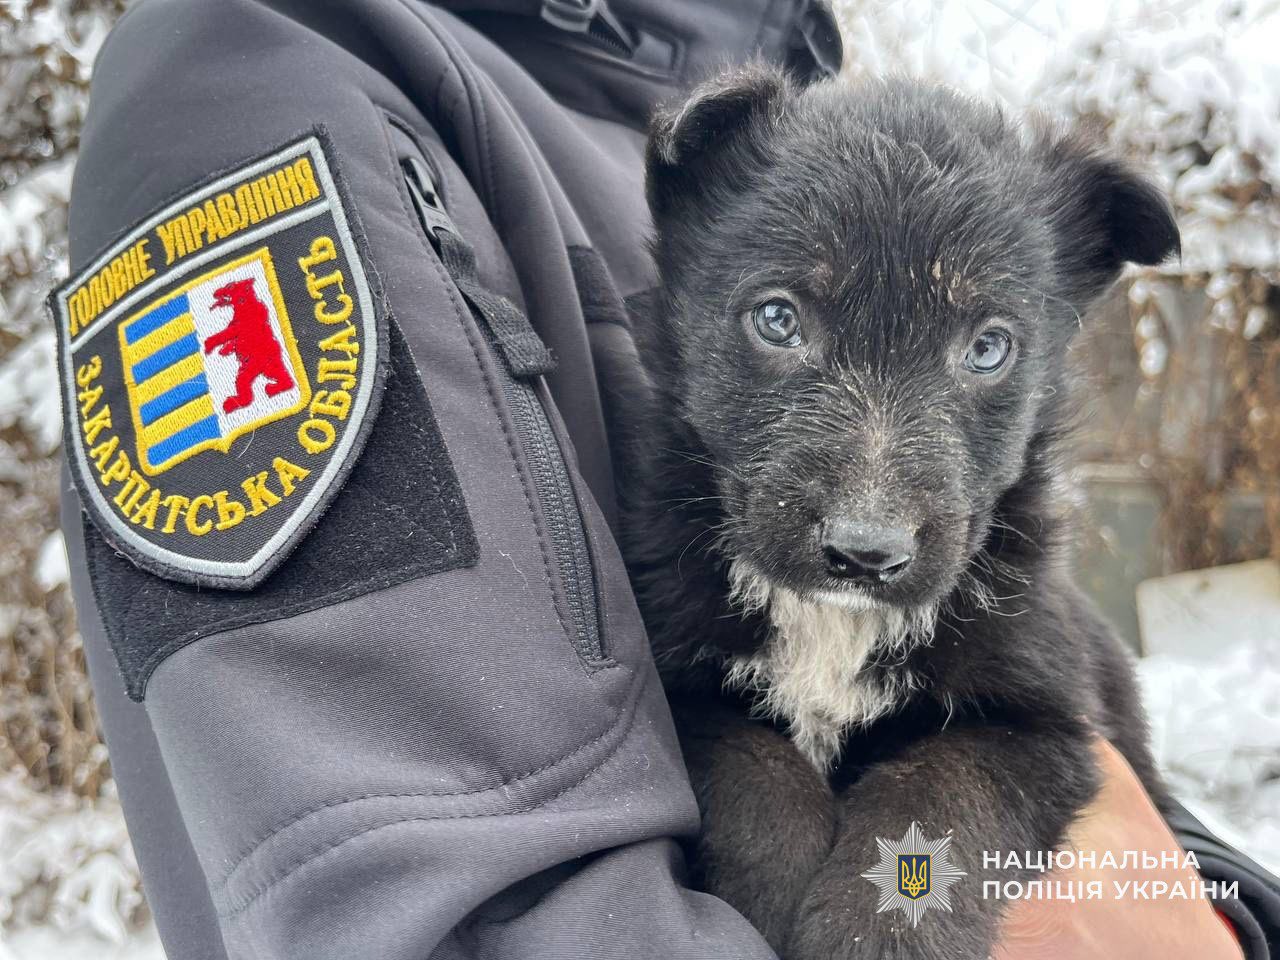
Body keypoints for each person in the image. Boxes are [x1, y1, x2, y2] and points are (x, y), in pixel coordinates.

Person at [52, 1, 1278, 958]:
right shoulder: (273, 83)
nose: (869, 503)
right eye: (783, 320)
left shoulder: (674, 99)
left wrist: (1205, 910)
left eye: (986, 349)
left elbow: (1066, 769)